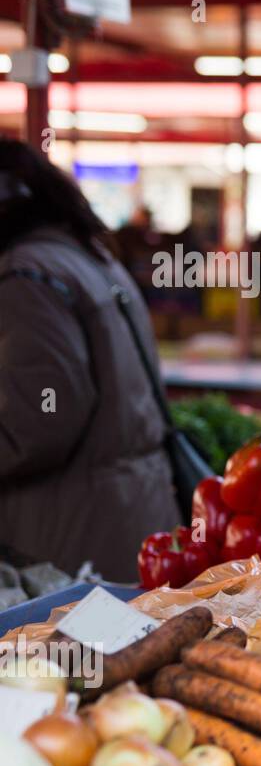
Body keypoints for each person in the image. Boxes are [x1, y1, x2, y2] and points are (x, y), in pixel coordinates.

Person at [0, 138, 181, 580]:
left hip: (72, 533)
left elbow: (44, 414)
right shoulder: (88, 259)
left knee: (71, 650)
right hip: (129, 513)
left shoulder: (27, 276)